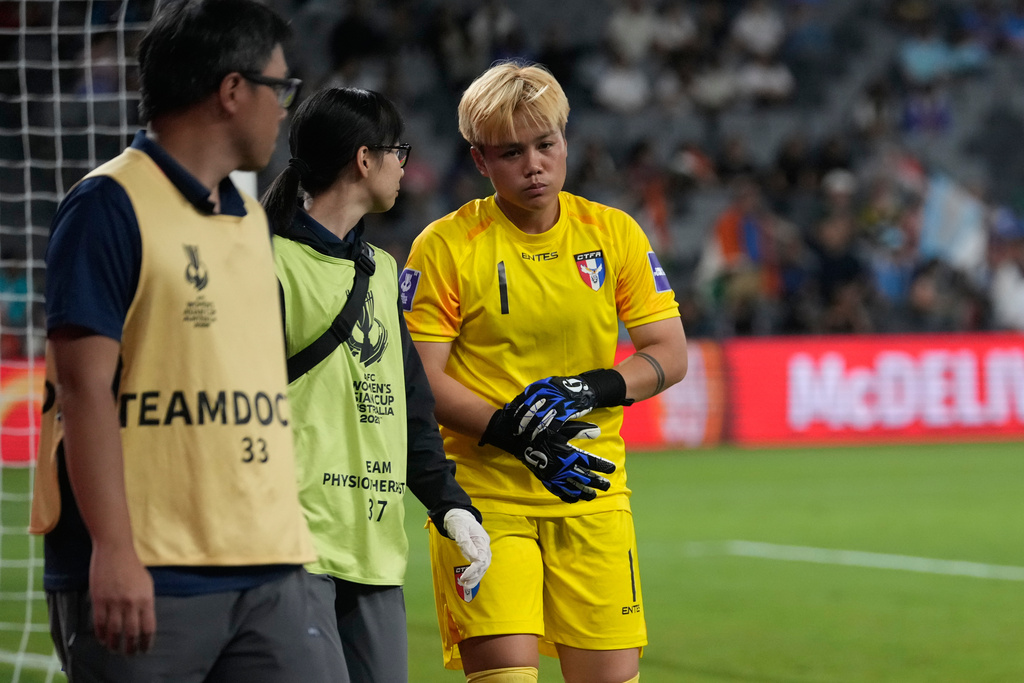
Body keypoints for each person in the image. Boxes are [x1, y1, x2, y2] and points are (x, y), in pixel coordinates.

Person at [29, 2, 326, 681]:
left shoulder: (250, 218)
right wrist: (112, 547)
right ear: (231, 91)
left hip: (270, 565)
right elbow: (82, 388)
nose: (284, 109)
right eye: (278, 89)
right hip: (151, 570)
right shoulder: (107, 204)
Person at [402, 61, 688, 683]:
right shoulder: (446, 246)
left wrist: (591, 386)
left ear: (566, 140)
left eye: (546, 144)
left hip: (590, 487)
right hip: (484, 498)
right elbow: (421, 379)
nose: (533, 164)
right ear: (480, 161)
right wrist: (515, 434)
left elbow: (668, 352)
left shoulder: (613, 234)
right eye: (511, 152)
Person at [260, 86, 492, 683]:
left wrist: (451, 507)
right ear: (364, 159)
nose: (404, 165)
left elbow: (410, 407)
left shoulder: (382, 270)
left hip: (376, 549)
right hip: (294, 546)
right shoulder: (267, 263)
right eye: (398, 150)